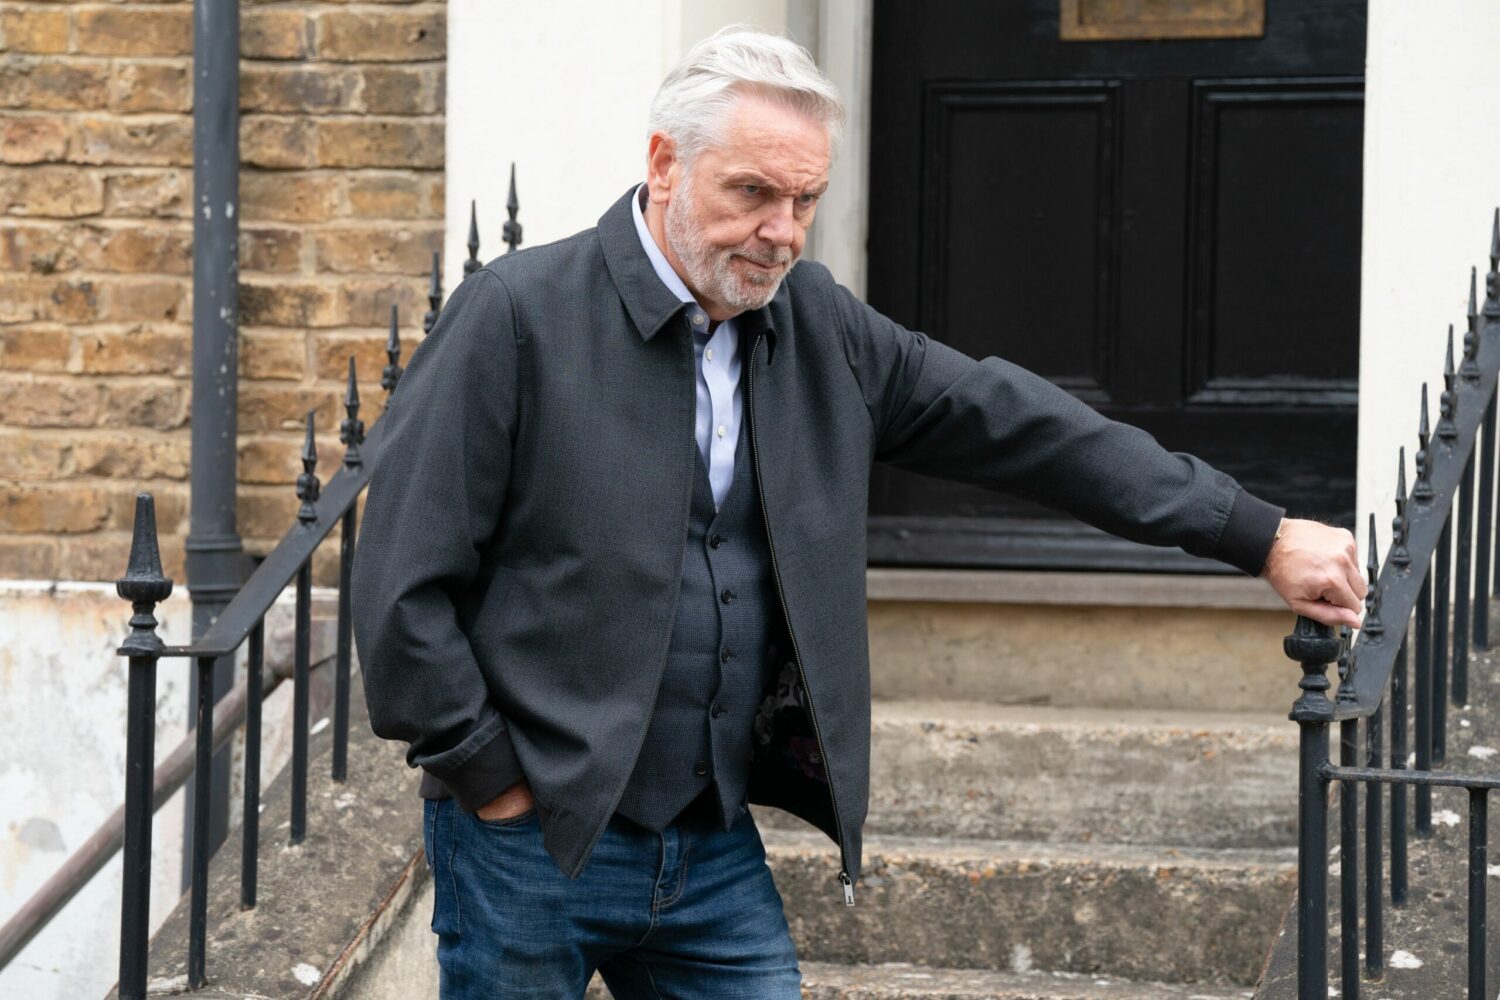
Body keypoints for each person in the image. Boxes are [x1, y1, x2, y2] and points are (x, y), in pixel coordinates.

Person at [350, 27, 1364, 1000]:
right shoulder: (518, 315)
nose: (782, 232)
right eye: (752, 192)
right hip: (531, 839)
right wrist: (492, 781)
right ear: (664, 163)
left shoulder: (817, 324)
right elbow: (398, 580)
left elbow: (1021, 424)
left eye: (805, 200)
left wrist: (1256, 532)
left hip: (706, 843)